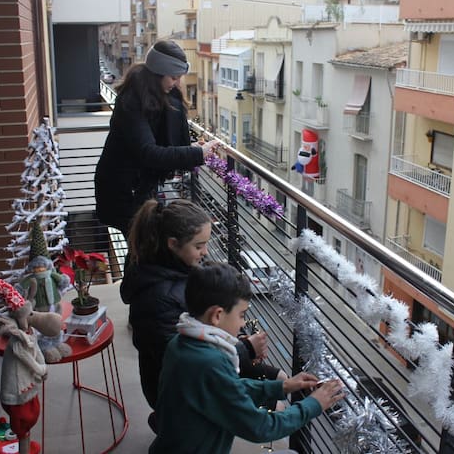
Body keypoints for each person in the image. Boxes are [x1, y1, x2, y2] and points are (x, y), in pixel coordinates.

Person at [149, 262, 345, 454]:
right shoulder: (210, 362)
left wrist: (282, 386)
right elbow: (261, 427)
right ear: (217, 315)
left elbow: (225, 388)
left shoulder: (181, 342)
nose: (243, 323)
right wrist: (313, 404)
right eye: (242, 315)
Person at [120, 199, 277, 429]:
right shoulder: (158, 298)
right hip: (174, 391)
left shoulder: (173, 270)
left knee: (273, 379)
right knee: (263, 392)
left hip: (175, 380)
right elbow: (187, 361)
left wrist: (240, 343)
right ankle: (168, 422)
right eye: (199, 246)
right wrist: (246, 348)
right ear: (173, 244)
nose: (205, 252)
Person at [94, 40, 218, 237]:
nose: (177, 84)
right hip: (122, 193)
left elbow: (154, 145)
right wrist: (196, 153)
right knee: (145, 246)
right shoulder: (131, 102)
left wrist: (193, 148)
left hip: (136, 188)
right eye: (174, 77)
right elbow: (148, 152)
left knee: (144, 247)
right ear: (158, 73)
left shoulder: (150, 97)